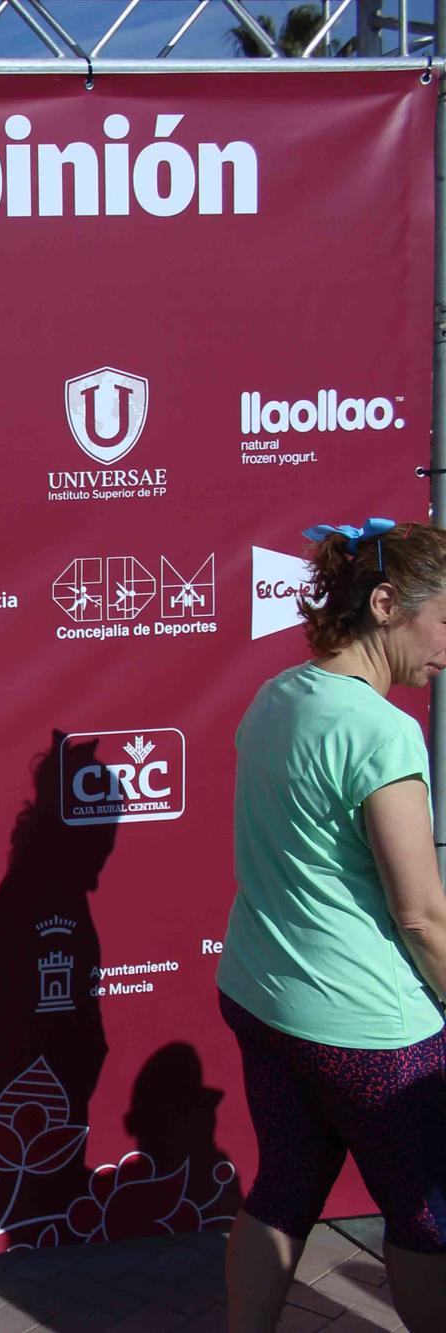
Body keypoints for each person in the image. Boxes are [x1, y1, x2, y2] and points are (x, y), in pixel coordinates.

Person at [218, 517, 446, 1333]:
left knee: (282, 1189)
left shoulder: (276, 694)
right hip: (369, 1030)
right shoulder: (383, 731)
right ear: (387, 604)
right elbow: (421, 914)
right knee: (427, 1220)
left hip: (262, 996)